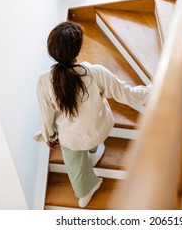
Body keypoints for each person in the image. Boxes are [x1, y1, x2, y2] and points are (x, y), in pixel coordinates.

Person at [35, 21, 152, 208]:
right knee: (93, 120)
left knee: (73, 161)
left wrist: (49, 136)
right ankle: (95, 150)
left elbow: (46, 116)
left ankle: (84, 193)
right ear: (77, 50)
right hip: (99, 129)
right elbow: (128, 95)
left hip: (72, 139)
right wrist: (153, 89)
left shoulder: (43, 81)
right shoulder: (96, 73)